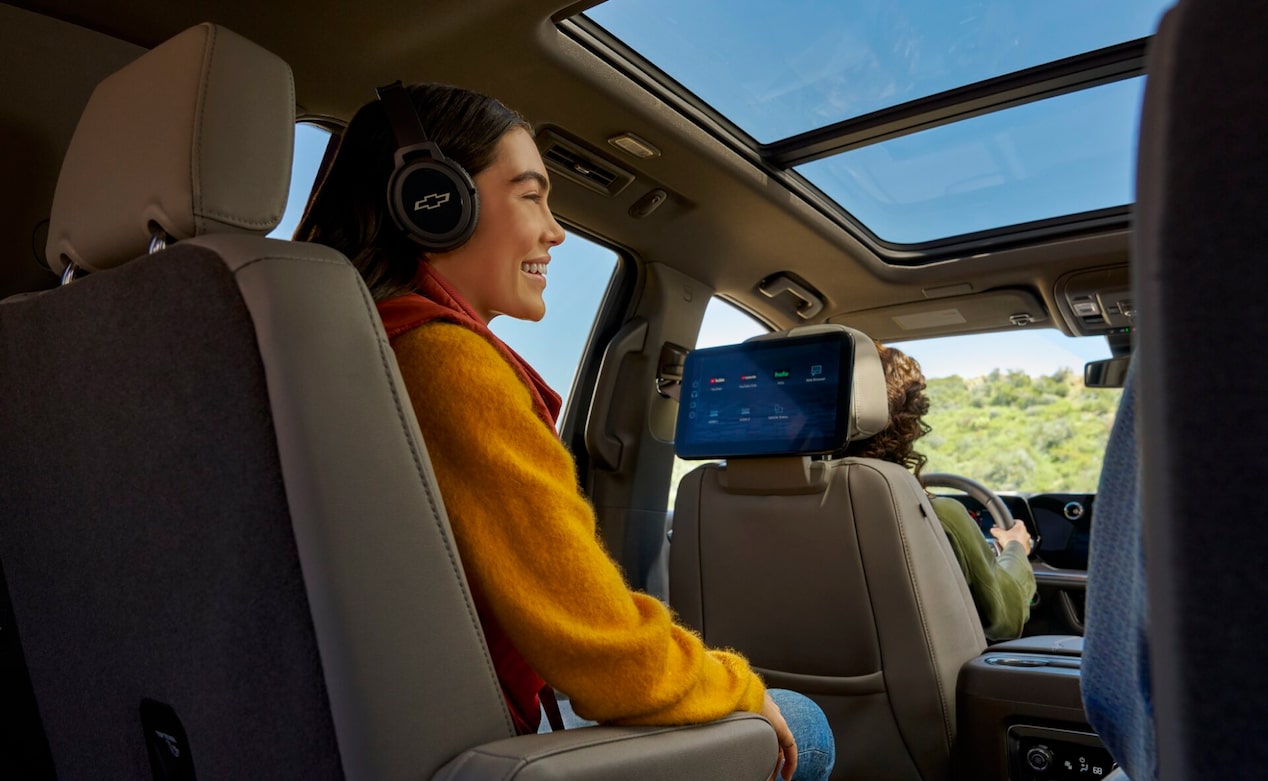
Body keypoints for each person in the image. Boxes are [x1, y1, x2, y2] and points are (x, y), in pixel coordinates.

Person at [294, 82, 834, 781]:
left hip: (377, 733)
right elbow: (608, 658)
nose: (556, 231)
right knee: (804, 722)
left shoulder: (334, 345)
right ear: (434, 200)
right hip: (473, 747)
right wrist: (741, 686)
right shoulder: (447, 363)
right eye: (531, 195)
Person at [841, 341, 1037, 642]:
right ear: (906, 423)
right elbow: (1004, 621)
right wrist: (1015, 549)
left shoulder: (769, 509)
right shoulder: (938, 516)